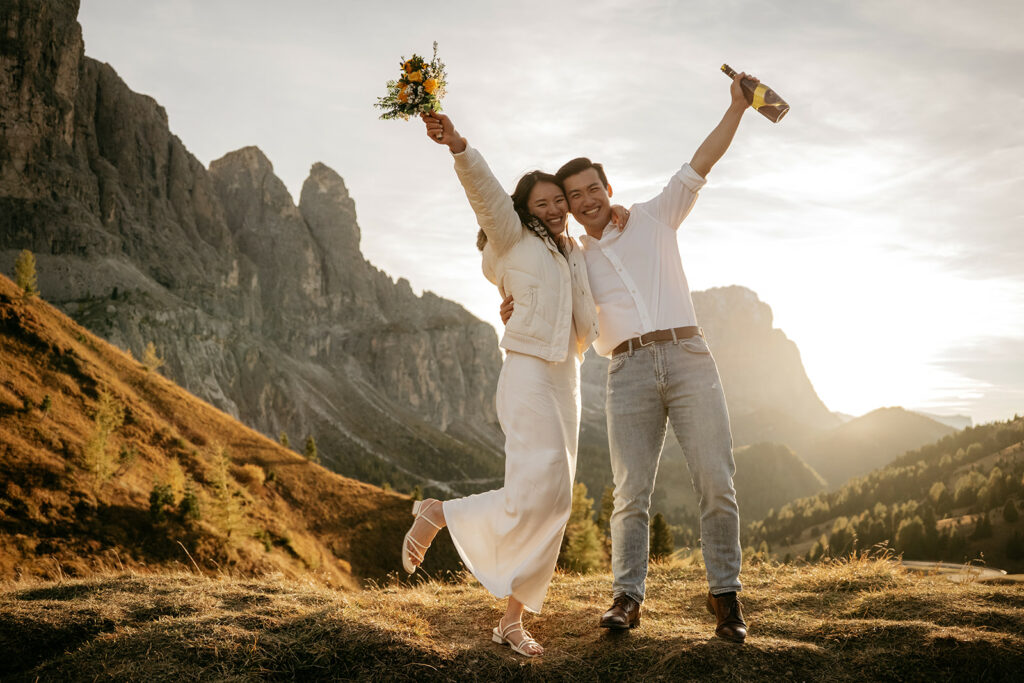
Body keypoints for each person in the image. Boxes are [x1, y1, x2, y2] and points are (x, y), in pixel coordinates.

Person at [500, 71, 758, 643]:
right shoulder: (570, 257)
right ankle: (626, 598)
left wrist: (737, 108)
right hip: (626, 370)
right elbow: (529, 276)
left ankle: (726, 598)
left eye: (593, 189)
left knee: (716, 481)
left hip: (689, 356)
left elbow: (701, 162)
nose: (586, 200)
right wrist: (511, 301)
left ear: (608, 188)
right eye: (574, 196)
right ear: (566, 207)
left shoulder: (655, 216)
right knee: (630, 493)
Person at [401, 111, 627, 657]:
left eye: (559, 201)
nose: (554, 209)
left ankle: (511, 621)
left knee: (555, 500)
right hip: (527, 369)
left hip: (565, 376)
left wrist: (621, 215)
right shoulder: (513, 236)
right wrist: (459, 145)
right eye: (541, 203)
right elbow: (484, 195)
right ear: (525, 209)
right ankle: (439, 514)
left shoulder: (572, 252)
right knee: (534, 488)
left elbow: (603, 255)